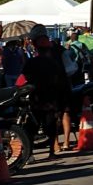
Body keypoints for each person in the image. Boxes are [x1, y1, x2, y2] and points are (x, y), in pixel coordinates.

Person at [21, 25, 72, 159]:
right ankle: (51, 151)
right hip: (50, 98)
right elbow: (62, 76)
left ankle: (30, 153)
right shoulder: (55, 61)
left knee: (33, 126)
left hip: (38, 98)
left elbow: (24, 78)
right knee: (50, 125)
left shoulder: (32, 62)